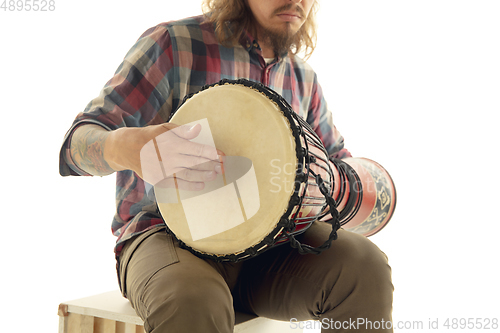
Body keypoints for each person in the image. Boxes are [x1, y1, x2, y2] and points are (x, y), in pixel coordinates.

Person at [59, 0, 394, 332]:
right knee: (192, 298)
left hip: (273, 244)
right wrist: (128, 147)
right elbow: (75, 146)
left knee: (365, 269)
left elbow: (343, 169)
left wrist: (340, 187)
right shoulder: (174, 43)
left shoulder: (302, 77)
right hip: (165, 236)